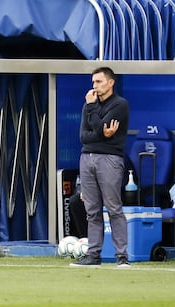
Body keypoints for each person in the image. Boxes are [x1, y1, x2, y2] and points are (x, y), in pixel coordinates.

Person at [70, 67, 130, 268]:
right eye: (93, 82)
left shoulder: (120, 105)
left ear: (111, 82)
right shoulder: (88, 106)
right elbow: (84, 136)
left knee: (114, 208)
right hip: (86, 157)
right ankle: (93, 256)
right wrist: (102, 133)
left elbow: (95, 128)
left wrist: (94, 116)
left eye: (99, 82)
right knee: (92, 210)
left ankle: (122, 257)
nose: (94, 86)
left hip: (110, 159)